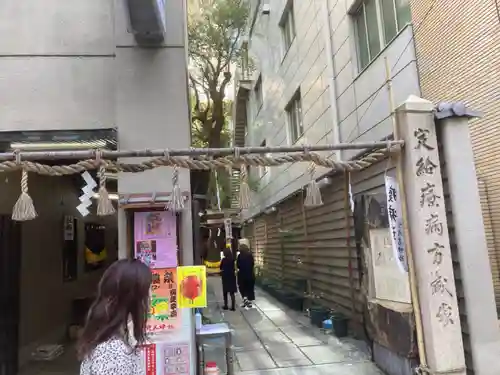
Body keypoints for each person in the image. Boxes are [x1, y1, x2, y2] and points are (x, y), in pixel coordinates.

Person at [78, 259, 152, 375]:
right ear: (132, 299)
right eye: (147, 292)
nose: (150, 298)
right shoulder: (113, 351)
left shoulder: (108, 338)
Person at [236, 241, 255, 309]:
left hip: (242, 275)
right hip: (250, 275)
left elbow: (238, 265)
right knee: (249, 288)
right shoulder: (250, 255)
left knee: (242, 288)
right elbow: (252, 264)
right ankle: (248, 301)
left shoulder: (239, 256)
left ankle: (245, 299)